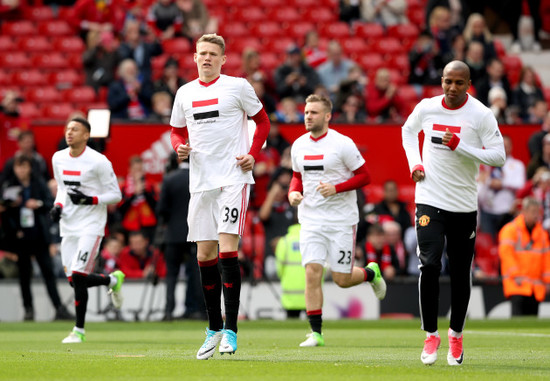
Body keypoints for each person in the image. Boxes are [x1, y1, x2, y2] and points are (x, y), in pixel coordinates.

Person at [169, 33, 270, 359]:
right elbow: (176, 129)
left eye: (213, 53)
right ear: (195, 57)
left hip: (233, 178)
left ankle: (232, 330)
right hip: (201, 182)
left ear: (223, 59)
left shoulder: (238, 87)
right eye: (202, 53)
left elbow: (263, 122)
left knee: (228, 251)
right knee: (204, 256)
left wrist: (252, 153)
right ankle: (213, 327)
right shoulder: (184, 93)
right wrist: (178, 148)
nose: (207, 58)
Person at [401, 60, 505, 365]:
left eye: (459, 83)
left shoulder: (481, 115)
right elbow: (408, 132)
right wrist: (415, 163)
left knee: (460, 273)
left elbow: (498, 156)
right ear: (441, 81)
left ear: (469, 84)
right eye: (447, 81)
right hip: (429, 199)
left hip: (463, 205)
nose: (452, 88)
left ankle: (456, 335)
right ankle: (430, 335)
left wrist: (462, 147)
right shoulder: (428, 107)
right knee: (430, 265)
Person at [288, 94, 386, 348]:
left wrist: (337, 188)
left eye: (314, 113)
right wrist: (293, 193)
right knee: (312, 273)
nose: (308, 116)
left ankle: (369, 273)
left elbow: (365, 177)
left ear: (328, 116)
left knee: (341, 279)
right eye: (306, 112)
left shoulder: (342, 144)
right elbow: (297, 176)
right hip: (310, 219)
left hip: (341, 220)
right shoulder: (298, 145)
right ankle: (316, 333)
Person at [50, 117, 124, 343]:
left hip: (91, 225)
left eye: (75, 129)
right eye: (68, 128)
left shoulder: (99, 161)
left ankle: (78, 331)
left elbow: (116, 195)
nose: (69, 132)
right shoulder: (58, 158)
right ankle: (112, 281)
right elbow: (62, 189)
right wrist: (58, 205)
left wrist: (91, 200)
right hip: (68, 225)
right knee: (74, 280)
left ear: (86, 135)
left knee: (80, 275)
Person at [0, 155, 73, 321]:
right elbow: (3, 209)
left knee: (48, 273)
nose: (22, 171)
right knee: (24, 275)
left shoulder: (38, 183)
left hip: (39, 236)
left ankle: (58, 308)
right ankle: (28, 310)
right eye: (19, 167)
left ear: (30, 168)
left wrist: (37, 204)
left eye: (25, 167)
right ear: (14, 169)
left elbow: (49, 203)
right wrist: (10, 205)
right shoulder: (8, 185)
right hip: (20, 237)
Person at [156, 156, 205, 321]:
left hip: (173, 234)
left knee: (172, 274)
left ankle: (168, 311)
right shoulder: (200, 177)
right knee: (197, 273)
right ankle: (199, 310)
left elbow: (161, 209)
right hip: (195, 232)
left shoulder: (170, 179)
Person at [498, 197, 550, 316]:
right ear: (524, 212)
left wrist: (547, 281)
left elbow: (547, 259)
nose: (536, 215)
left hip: (536, 287)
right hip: (517, 285)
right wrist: (515, 275)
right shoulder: (510, 230)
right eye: (533, 212)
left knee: (532, 322)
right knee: (517, 322)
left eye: (537, 212)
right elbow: (506, 255)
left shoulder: (541, 233)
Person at [478, 135, 526, 239]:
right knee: (487, 244)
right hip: (487, 211)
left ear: (511, 147)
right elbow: (478, 181)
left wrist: (502, 183)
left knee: (506, 240)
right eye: (501, 146)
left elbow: (520, 184)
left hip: (507, 210)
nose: (503, 148)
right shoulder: (486, 164)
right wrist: (487, 181)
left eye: (506, 146)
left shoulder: (517, 165)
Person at [275, 222, 306, 318]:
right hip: (311, 294)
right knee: (314, 327)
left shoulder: (284, 241)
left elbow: (279, 268)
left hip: (290, 296)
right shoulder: (313, 240)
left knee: (291, 328)